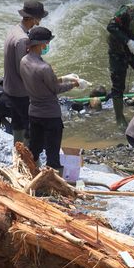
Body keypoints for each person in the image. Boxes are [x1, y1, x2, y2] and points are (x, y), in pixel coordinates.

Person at [19, 27, 80, 172]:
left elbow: (43, 82)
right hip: (51, 116)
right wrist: (74, 84)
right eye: (46, 43)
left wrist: (64, 78)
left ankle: (29, 175)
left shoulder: (24, 61)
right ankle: (55, 184)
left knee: (34, 149)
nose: (47, 46)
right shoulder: (44, 67)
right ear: (42, 44)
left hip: (34, 113)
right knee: (53, 155)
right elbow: (55, 89)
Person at [4, 1, 48, 144]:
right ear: (33, 19)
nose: (39, 21)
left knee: (18, 123)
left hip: (10, 87)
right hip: (21, 91)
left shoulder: (14, 30)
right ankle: (29, 158)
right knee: (29, 128)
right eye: (39, 18)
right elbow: (22, 69)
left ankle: (17, 152)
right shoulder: (22, 39)